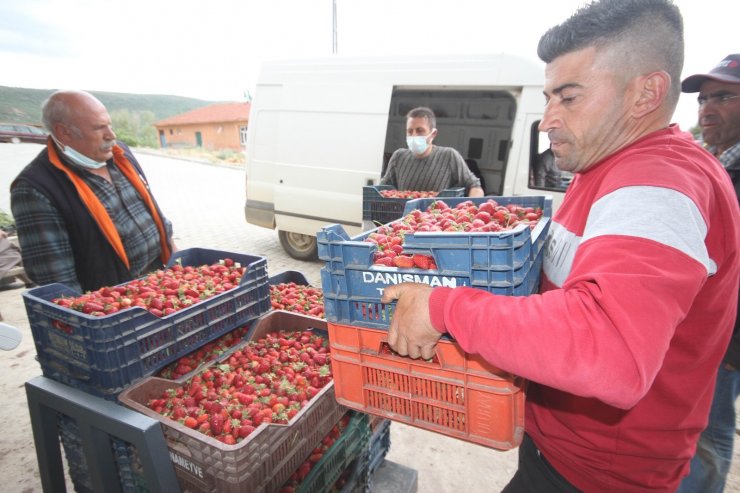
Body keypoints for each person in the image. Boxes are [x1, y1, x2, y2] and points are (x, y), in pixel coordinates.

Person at [380, 1, 740, 492]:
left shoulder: (658, 184)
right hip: (563, 454)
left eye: (568, 98)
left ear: (646, 94)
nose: (547, 120)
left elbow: (610, 350)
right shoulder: (605, 170)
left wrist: (443, 306)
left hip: (602, 478)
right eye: (550, 97)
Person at [10, 90, 175, 294]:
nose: (111, 135)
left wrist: (176, 260)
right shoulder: (36, 189)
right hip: (115, 305)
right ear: (64, 132)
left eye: (109, 125)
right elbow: (58, 284)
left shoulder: (120, 154)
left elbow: (154, 213)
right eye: (99, 128)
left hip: (161, 282)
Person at [677, 54, 740, 493]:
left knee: (709, 432)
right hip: (709, 327)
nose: (706, 108)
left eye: (723, 96)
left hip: (728, 334)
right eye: (703, 99)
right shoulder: (718, 161)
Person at [380, 106, 485, 197]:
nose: (414, 135)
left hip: (436, 219)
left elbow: (475, 186)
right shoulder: (398, 157)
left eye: (420, 130)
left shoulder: (449, 156)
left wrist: (471, 206)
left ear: (433, 134)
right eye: (410, 131)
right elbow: (382, 189)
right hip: (406, 219)